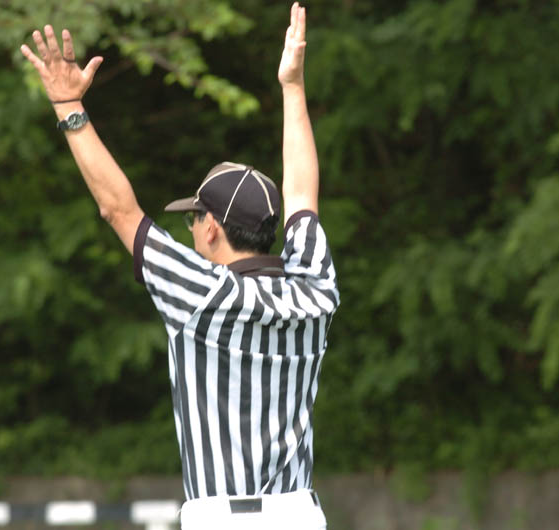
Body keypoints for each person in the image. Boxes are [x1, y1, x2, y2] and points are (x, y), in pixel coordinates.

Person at [21, 3, 338, 528]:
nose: (191, 229)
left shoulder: (202, 293)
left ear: (211, 228)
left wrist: (68, 105)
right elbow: (303, 193)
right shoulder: (314, 287)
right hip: (299, 515)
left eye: (194, 219)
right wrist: (292, 86)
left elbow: (119, 210)